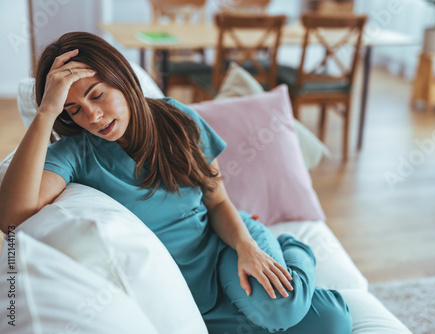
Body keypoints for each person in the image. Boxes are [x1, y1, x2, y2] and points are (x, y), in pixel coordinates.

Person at [0, 32, 351, 333]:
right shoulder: (75, 153)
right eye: (73, 109)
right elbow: (11, 218)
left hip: (225, 250)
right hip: (183, 295)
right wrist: (47, 111)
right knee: (332, 322)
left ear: (121, 79)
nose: (92, 116)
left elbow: (217, 201)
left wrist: (247, 247)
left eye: (97, 94)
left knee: (283, 309)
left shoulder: (177, 119)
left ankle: (294, 248)